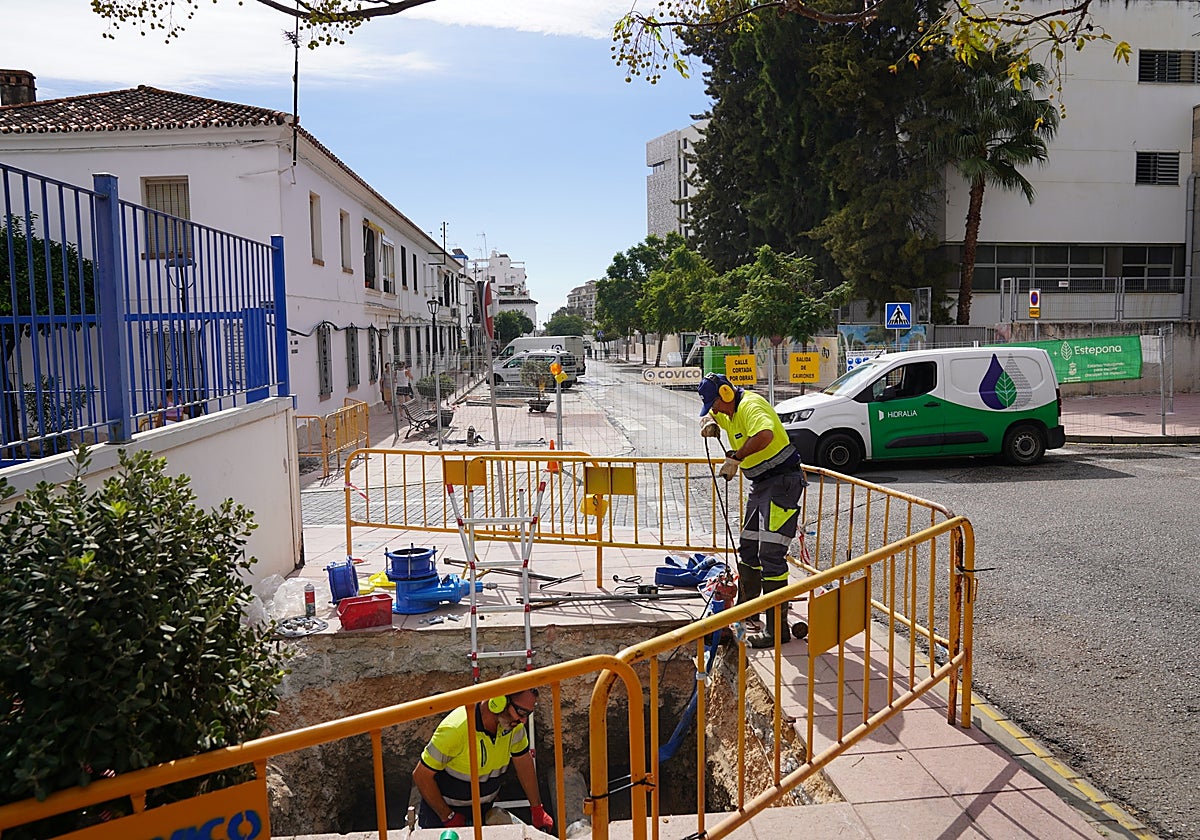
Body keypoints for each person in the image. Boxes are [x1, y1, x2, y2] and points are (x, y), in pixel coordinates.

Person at [698, 372, 806, 648]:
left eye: (715, 403)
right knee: (748, 547)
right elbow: (712, 415)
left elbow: (765, 434)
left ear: (726, 393)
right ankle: (748, 608)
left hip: (782, 483)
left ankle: (777, 629)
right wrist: (708, 421)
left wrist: (736, 457)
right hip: (761, 485)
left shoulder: (749, 406)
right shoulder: (728, 411)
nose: (715, 409)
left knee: (771, 554)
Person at [412, 684, 553, 832]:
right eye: (521, 712)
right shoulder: (456, 729)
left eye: (528, 714)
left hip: (481, 813)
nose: (523, 721)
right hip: (441, 819)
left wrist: (537, 809)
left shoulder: (513, 727)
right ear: (499, 702)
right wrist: (448, 816)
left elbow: (523, 763)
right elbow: (421, 776)